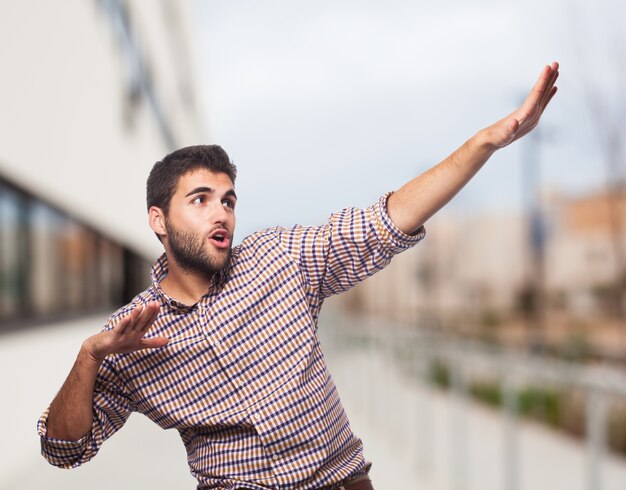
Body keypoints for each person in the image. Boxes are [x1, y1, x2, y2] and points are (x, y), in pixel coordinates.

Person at [37, 62, 559, 489]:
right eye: (200, 200)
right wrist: (88, 358)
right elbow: (63, 449)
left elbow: (385, 221)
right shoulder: (129, 335)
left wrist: (484, 143)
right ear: (159, 220)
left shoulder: (279, 258)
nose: (221, 214)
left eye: (228, 201)